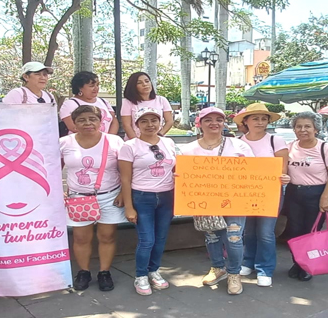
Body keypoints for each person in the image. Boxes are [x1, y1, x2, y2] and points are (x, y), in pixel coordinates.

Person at [182, 107, 254, 295]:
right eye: (208, 120)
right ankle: (217, 267)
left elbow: (254, 171)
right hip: (205, 199)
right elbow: (183, 173)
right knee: (212, 236)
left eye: (219, 119)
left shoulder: (239, 146)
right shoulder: (188, 149)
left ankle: (234, 273)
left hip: (236, 199)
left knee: (234, 236)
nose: (214, 123)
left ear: (224, 123)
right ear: (199, 124)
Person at [60, 105, 127, 291]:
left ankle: (104, 272)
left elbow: (125, 169)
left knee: (107, 236)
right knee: (81, 237)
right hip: (78, 197)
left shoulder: (114, 141)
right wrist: (58, 190)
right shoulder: (64, 143)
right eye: (81, 120)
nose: (87, 123)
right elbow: (53, 167)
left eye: (92, 119)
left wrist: (123, 192)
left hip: (110, 195)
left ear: (100, 121)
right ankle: (84, 271)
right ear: (74, 123)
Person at [119, 107, 176, 296]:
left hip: (167, 196)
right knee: (147, 240)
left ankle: (154, 270)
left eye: (154, 120)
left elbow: (177, 168)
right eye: (144, 121)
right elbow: (125, 178)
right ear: (137, 125)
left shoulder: (169, 143)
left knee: (160, 238)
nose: (150, 125)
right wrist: (129, 207)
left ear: (160, 122)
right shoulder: (130, 146)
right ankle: (141, 275)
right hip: (142, 197)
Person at [233, 103, 290, 287]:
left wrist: (284, 177)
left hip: (269, 193)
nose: (260, 122)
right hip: (244, 193)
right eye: (255, 118)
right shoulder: (237, 142)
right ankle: (248, 261)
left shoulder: (276, 141)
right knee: (248, 230)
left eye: (264, 119)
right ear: (246, 121)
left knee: (265, 232)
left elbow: (282, 169)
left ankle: (265, 269)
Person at [284, 111, 328, 281]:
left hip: (316, 193)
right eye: (299, 126)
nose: (303, 130)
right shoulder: (289, 147)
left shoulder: (326, 148)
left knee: (311, 231)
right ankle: (297, 262)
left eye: (307, 126)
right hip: (293, 193)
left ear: (316, 129)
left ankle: (307, 266)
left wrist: (325, 198)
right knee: (294, 231)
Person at [120, 72, 174, 139]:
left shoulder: (162, 100)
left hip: (156, 141)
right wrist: (137, 142)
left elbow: (169, 121)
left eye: (147, 81)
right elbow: (127, 125)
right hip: (134, 141)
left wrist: (158, 136)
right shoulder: (127, 102)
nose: (145, 84)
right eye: (139, 83)